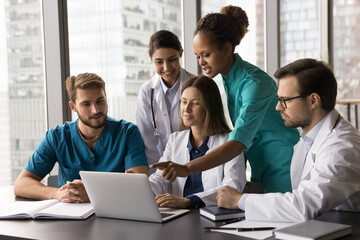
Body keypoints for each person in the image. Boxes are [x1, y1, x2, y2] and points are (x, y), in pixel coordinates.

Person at [151, 5, 299, 193]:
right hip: (261, 166)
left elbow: (237, 143)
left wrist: (187, 168)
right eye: (198, 56)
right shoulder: (228, 80)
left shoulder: (254, 83)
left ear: (227, 49)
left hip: (284, 166)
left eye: (206, 55)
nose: (201, 62)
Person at [217, 58, 360, 222]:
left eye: (284, 100)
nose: (278, 107)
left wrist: (239, 200)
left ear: (313, 100)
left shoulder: (341, 148)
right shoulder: (307, 139)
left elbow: (303, 206)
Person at [14, 73, 148, 203]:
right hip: (70, 219)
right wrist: (57, 194)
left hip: (117, 217)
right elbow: (21, 184)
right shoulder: (57, 137)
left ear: (106, 98)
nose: (95, 110)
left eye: (100, 101)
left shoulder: (128, 133)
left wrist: (91, 194)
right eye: (86, 104)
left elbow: (139, 187)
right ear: (73, 106)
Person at [149, 75, 246, 208]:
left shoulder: (231, 143)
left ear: (210, 107)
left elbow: (232, 187)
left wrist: (189, 201)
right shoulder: (175, 140)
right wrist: (142, 187)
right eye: (184, 101)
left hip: (216, 216)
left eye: (195, 103)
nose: (186, 109)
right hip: (180, 216)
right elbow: (160, 179)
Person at [136, 30, 194, 174]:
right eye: (159, 62)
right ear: (151, 60)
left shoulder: (196, 85)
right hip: (158, 169)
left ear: (181, 53)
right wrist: (158, 175)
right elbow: (147, 140)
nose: (167, 67)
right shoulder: (146, 92)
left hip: (192, 166)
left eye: (172, 59)